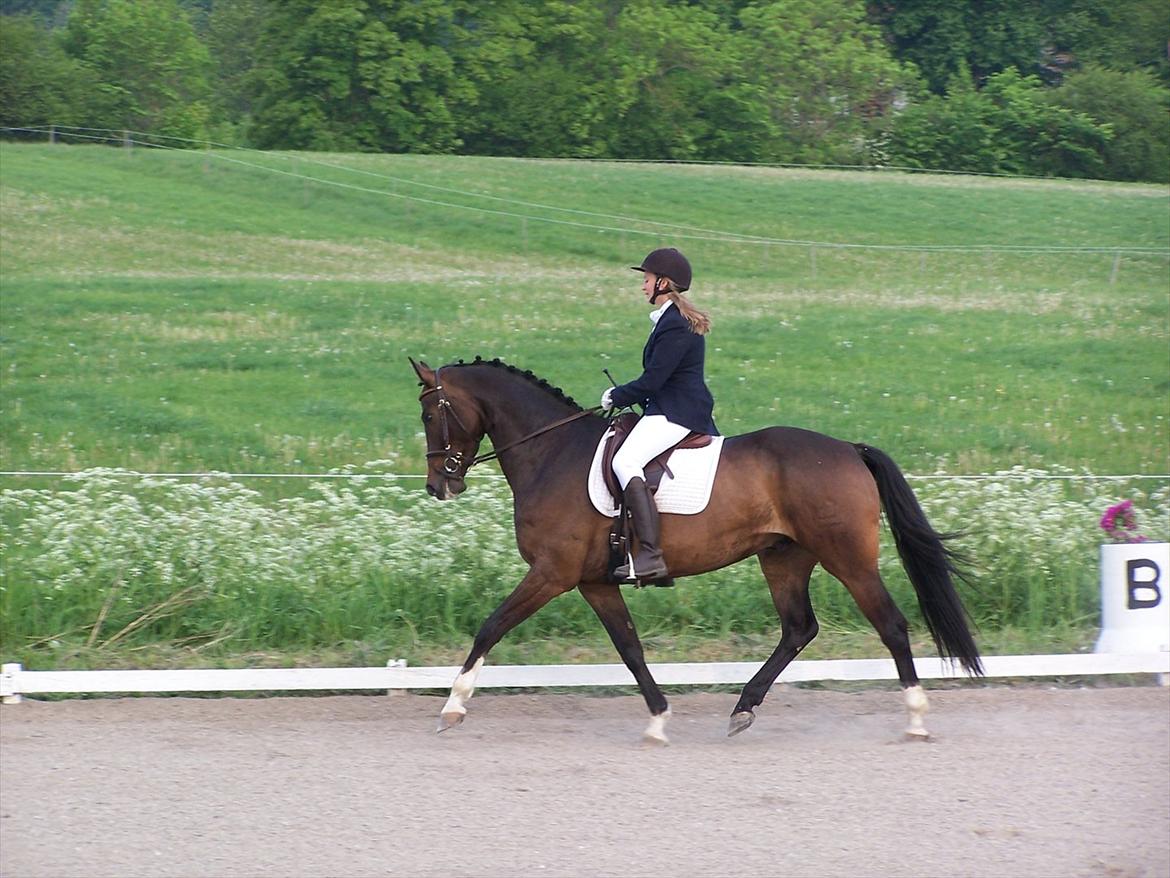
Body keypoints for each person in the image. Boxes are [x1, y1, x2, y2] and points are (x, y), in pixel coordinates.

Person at [601, 247, 718, 581]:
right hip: (669, 408)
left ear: (664, 283)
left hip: (676, 413)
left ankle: (651, 555)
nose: (643, 286)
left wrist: (616, 395)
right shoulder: (669, 321)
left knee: (624, 462)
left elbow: (654, 380)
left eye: (647, 279)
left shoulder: (676, 325)